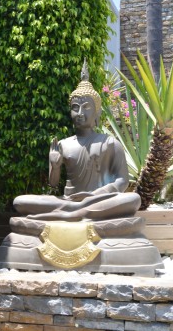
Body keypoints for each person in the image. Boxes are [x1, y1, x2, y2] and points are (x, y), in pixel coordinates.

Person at [13, 64, 141, 221]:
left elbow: (122, 181)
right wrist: (55, 166)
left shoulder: (110, 143)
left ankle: (72, 212)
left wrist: (94, 195)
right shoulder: (62, 144)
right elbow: (53, 184)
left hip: (99, 199)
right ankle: (77, 211)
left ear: (97, 112)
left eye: (86, 107)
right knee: (19, 201)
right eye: (75, 108)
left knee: (133, 199)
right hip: (69, 200)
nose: (80, 113)